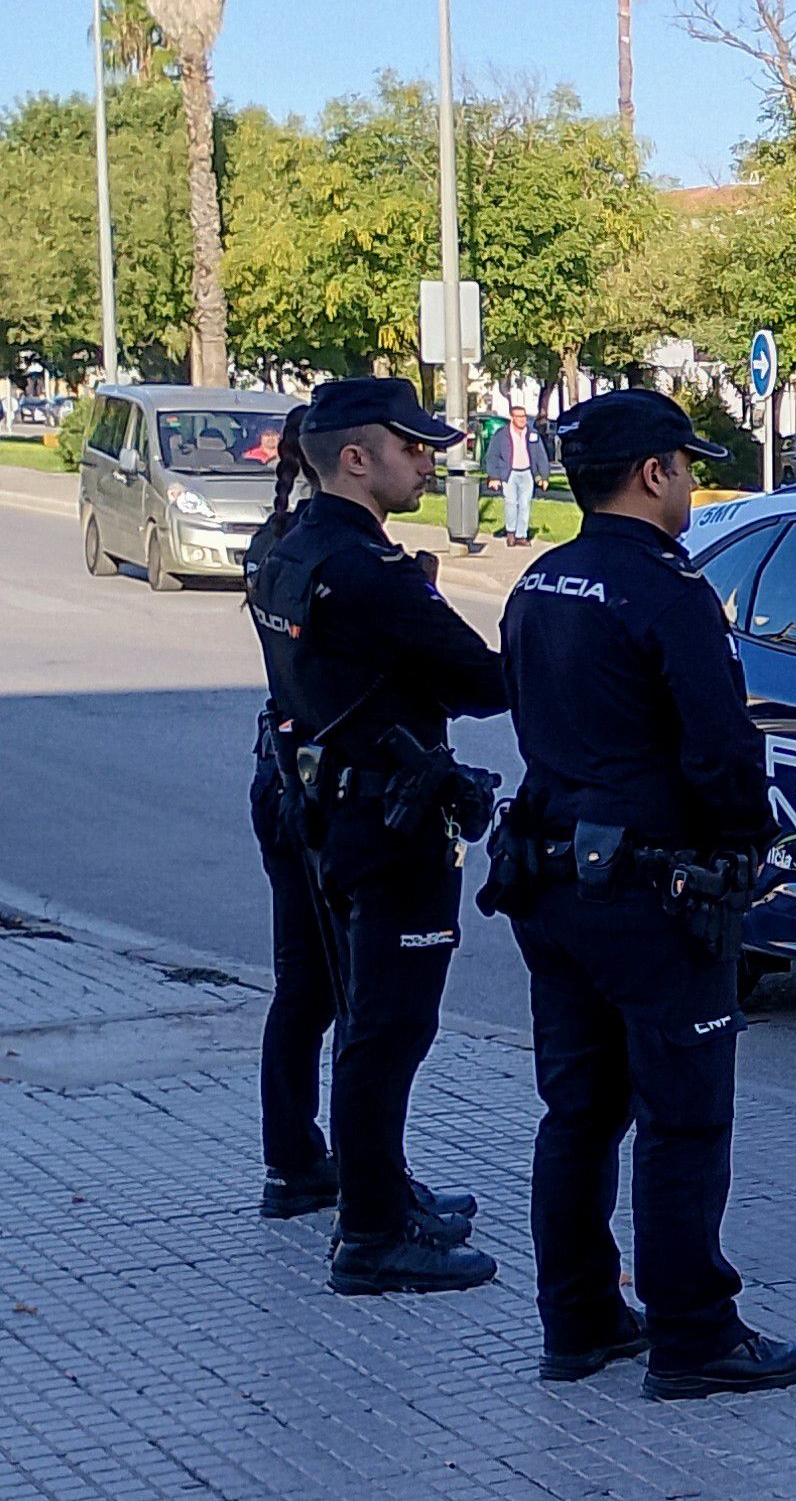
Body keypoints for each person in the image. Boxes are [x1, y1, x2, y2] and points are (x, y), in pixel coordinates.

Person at [493, 388, 796, 1400]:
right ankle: (694, 1335)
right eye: (686, 464)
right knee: (683, 1119)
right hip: (654, 895)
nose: (692, 481)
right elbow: (723, 752)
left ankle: (580, 1318)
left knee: (578, 1111)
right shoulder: (672, 594)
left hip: (553, 881)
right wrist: (748, 847)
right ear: (652, 474)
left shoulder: (540, 579)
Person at [248, 376, 508, 1296]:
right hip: (383, 817)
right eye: (413, 447)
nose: (429, 460)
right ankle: (371, 1231)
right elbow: (481, 681)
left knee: (334, 1003)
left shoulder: (286, 546)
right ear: (356, 457)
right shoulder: (367, 572)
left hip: (314, 803)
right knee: (388, 1027)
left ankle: (352, 1183)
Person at [242, 408, 338, 1219]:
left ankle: (294, 1158)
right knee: (350, 993)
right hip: (324, 795)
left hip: (278, 778)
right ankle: (364, 1181)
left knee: (302, 987)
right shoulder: (326, 553)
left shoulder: (272, 543)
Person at [486, 404, 556, 548]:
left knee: (525, 504)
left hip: (527, 473)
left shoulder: (532, 434)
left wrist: (544, 476)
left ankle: (521, 535)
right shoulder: (501, 435)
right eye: (519, 417)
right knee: (511, 503)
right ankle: (511, 533)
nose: (523, 420)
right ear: (512, 418)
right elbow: (492, 455)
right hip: (509, 474)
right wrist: (493, 476)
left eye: (524, 416)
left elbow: (541, 456)